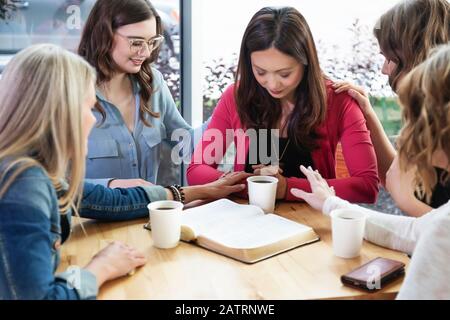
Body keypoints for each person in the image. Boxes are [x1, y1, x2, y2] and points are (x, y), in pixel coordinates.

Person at [0, 44, 249, 300]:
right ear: (58, 114)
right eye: (88, 108)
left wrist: (196, 191)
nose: (93, 120)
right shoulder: (22, 186)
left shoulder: (30, 169)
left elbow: (109, 200)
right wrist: (100, 268)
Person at [292, 44, 450, 299]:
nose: (408, 132)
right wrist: (330, 203)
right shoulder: (442, 223)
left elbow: (425, 232)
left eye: (413, 118)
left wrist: (403, 193)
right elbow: (412, 231)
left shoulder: (443, 230)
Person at [187, 7, 379, 204]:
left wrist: (285, 187)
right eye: (260, 72)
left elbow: (366, 187)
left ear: (306, 62)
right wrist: (249, 183)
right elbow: (196, 170)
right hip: (245, 220)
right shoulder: (236, 96)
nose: (273, 84)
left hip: (313, 225)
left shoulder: (339, 101)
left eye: (285, 74)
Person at [333, 0, 449, 216]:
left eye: (391, 59)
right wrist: (368, 115)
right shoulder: (425, 115)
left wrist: (403, 199)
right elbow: (395, 177)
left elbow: (377, 187)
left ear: (418, 54)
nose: (384, 70)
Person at [78, 0, 198, 189]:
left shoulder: (153, 83)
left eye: (152, 42)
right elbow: (48, 180)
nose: (146, 52)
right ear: (104, 33)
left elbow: (187, 144)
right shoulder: (67, 91)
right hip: (86, 219)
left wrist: (232, 107)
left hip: (146, 217)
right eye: (136, 42)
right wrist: (109, 186)